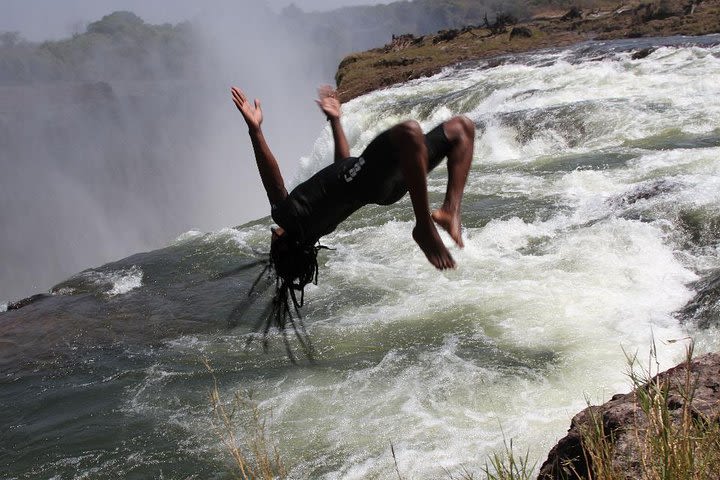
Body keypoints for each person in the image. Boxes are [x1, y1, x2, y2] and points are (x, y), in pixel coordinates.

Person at [230, 85, 474, 356]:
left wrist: (335, 121)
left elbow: (343, 168)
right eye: (273, 242)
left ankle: (450, 211)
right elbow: (272, 180)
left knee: (461, 129)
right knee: (413, 131)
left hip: (385, 183)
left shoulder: (315, 226)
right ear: (282, 245)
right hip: (374, 176)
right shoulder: (289, 216)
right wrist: (255, 130)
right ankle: (424, 225)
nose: (272, 234)